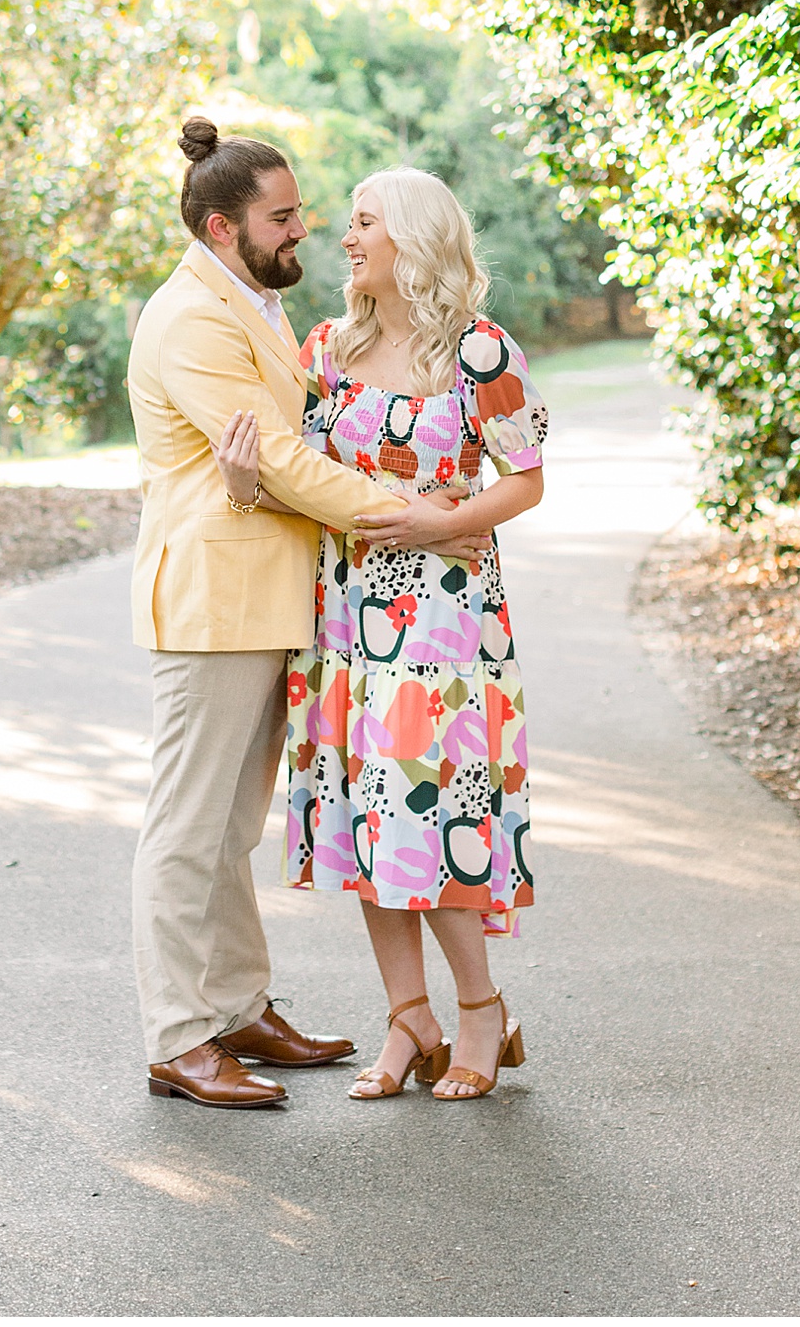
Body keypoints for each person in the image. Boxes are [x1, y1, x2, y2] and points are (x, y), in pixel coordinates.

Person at [125, 119, 482, 1110]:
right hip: (215, 601)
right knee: (187, 826)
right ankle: (178, 1035)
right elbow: (278, 460)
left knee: (233, 824)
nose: (304, 232)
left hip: (273, 595)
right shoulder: (193, 317)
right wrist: (407, 515)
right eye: (282, 217)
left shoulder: (251, 302)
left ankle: (236, 1003)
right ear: (222, 226)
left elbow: (288, 438)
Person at [212, 166, 546, 1103]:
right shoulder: (324, 349)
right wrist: (244, 484)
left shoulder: (484, 353)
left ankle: (481, 1012)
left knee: (429, 822)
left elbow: (527, 479)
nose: (343, 238)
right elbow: (285, 474)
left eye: (363, 223)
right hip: (345, 625)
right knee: (368, 825)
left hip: (445, 630)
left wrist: (442, 522)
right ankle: (412, 1021)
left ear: (411, 237)